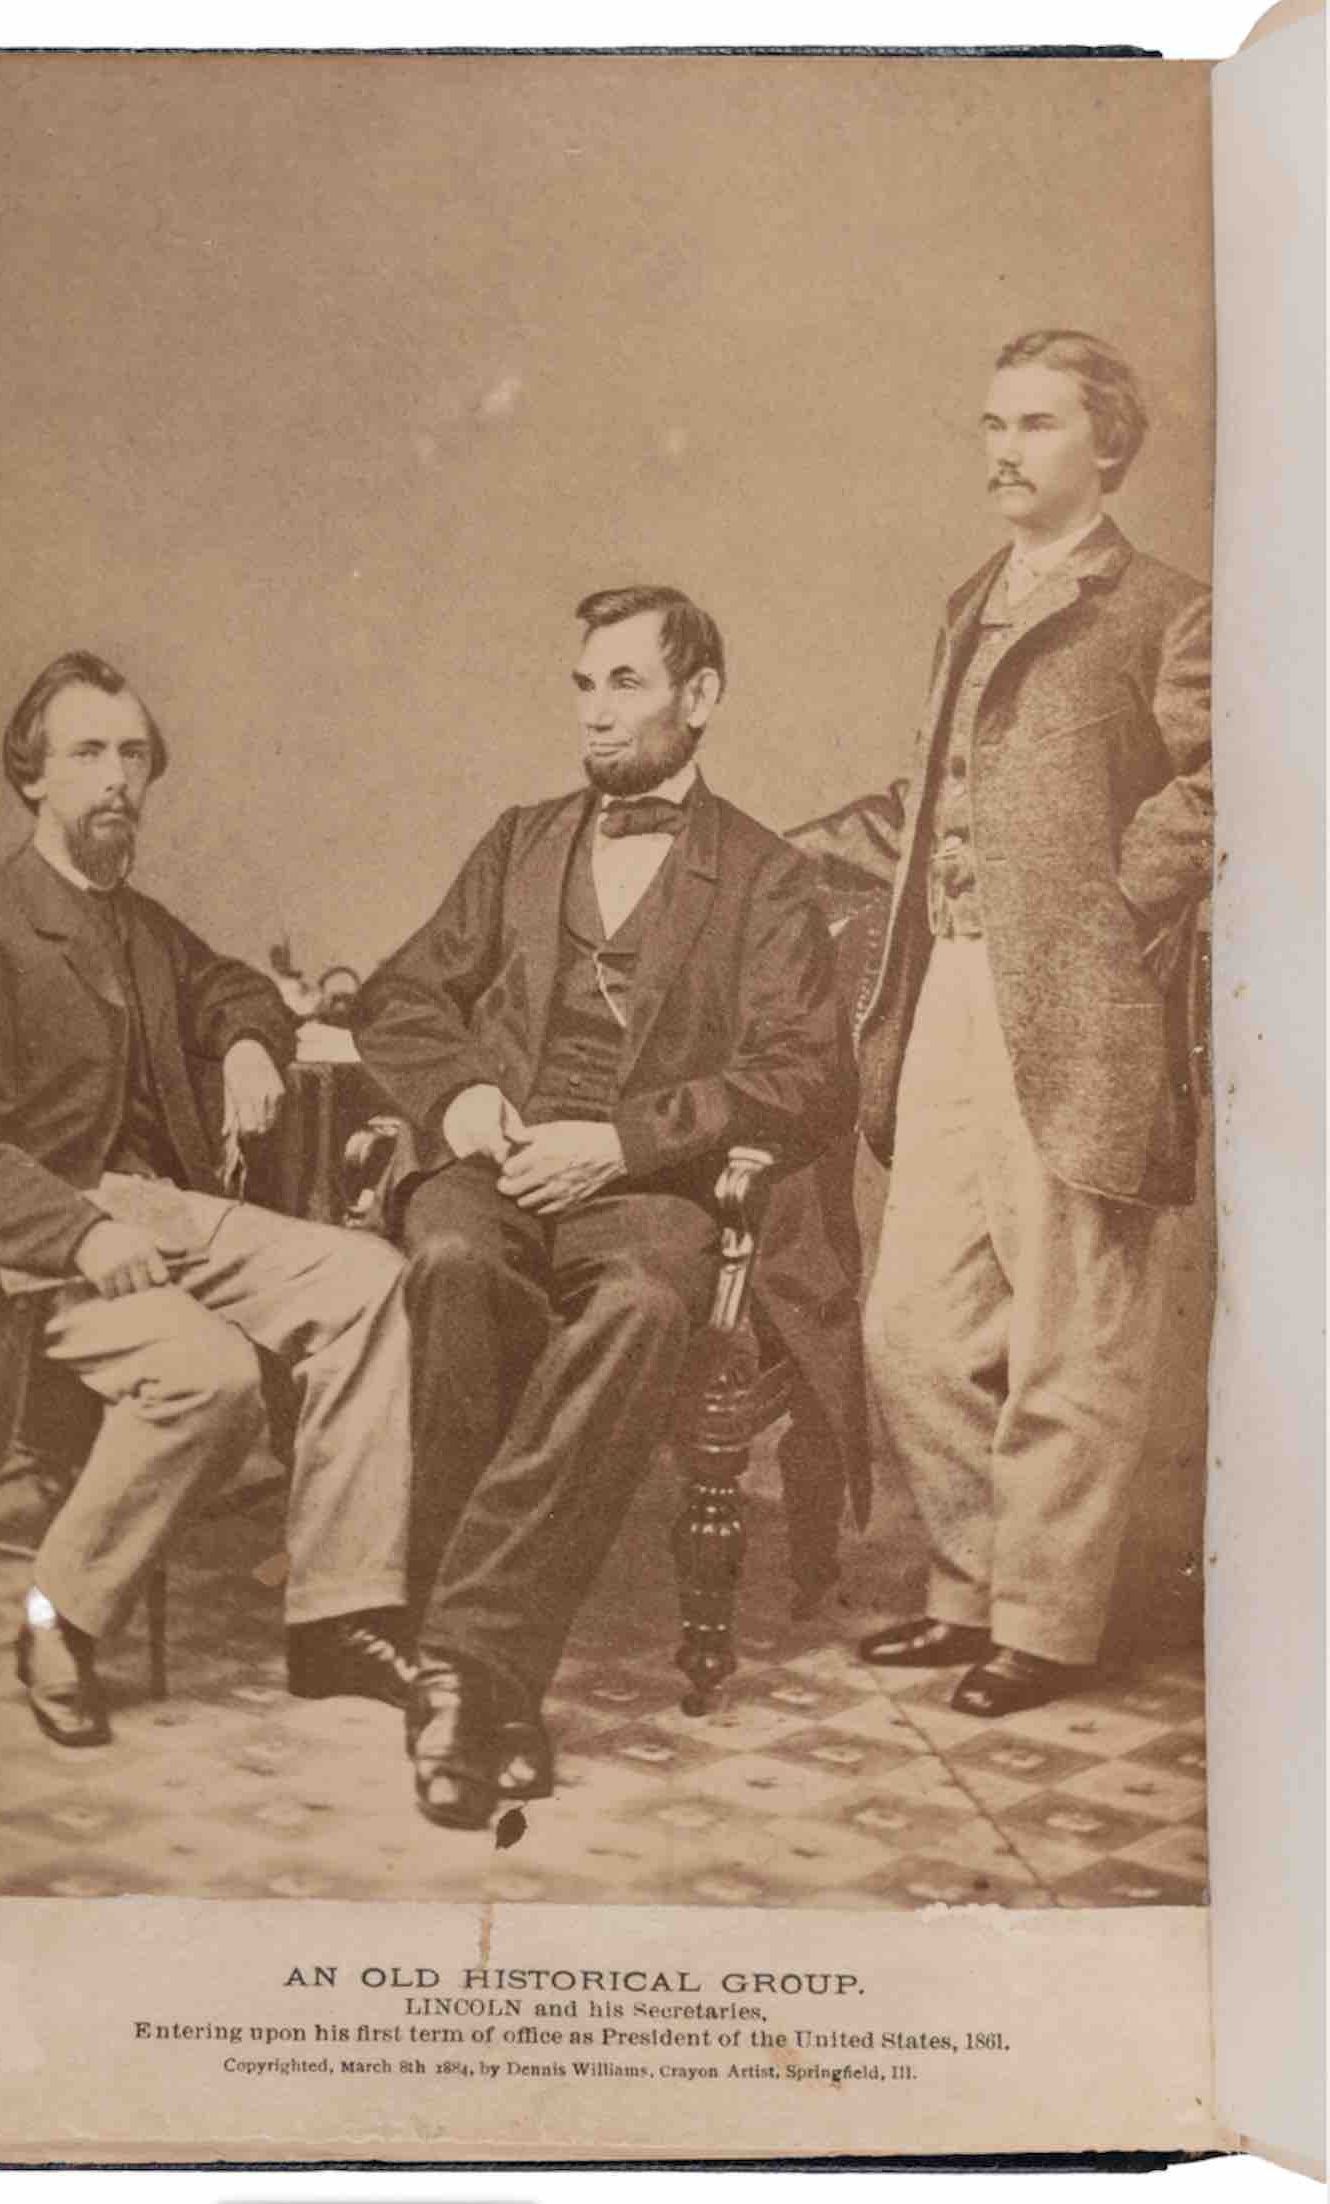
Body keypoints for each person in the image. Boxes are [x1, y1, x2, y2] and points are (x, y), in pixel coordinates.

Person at [352, 585, 856, 1828]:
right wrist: (463, 1098)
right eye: (583, 683)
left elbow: (804, 1074)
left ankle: (464, 1663)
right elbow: (400, 996)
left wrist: (622, 1142)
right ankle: (495, 1682)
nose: (594, 711)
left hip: (648, 1192)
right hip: (496, 1166)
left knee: (640, 1305)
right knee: (449, 1262)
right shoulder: (520, 841)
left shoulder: (764, 876)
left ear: (701, 696)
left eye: (626, 682)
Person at [789, 330, 1212, 1718]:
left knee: (1072, 1334)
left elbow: (1235, 777)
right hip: (949, 997)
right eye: (991, 423)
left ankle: (1044, 1624)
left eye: (1034, 424)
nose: (1003, 450)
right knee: (914, 1323)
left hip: (1085, 1010)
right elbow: (928, 808)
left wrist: (1114, 902)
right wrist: (785, 860)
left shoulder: (1166, 609)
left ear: (1109, 446)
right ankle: (966, 1591)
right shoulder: (969, 602)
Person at [0, 650, 415, 1748]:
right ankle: (58, 1619)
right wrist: (81, 1231)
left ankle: (337, 1613)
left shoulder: (138, 924)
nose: (117, 780)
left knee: (372, 1279)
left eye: (133, 755)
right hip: (31, 1253)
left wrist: (245, 1040)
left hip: (161, 1217)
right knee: (212, 1374)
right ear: (32, 775)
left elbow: (229, 982)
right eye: (88, 753)